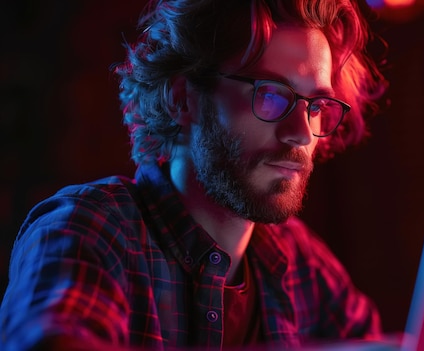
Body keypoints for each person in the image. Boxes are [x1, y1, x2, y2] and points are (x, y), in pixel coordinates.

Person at [0, 0, 388, 349]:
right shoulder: (90, 229)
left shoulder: (300, 261)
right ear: (183, 98)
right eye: (270, 94)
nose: (301, 132)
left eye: (316, 105)